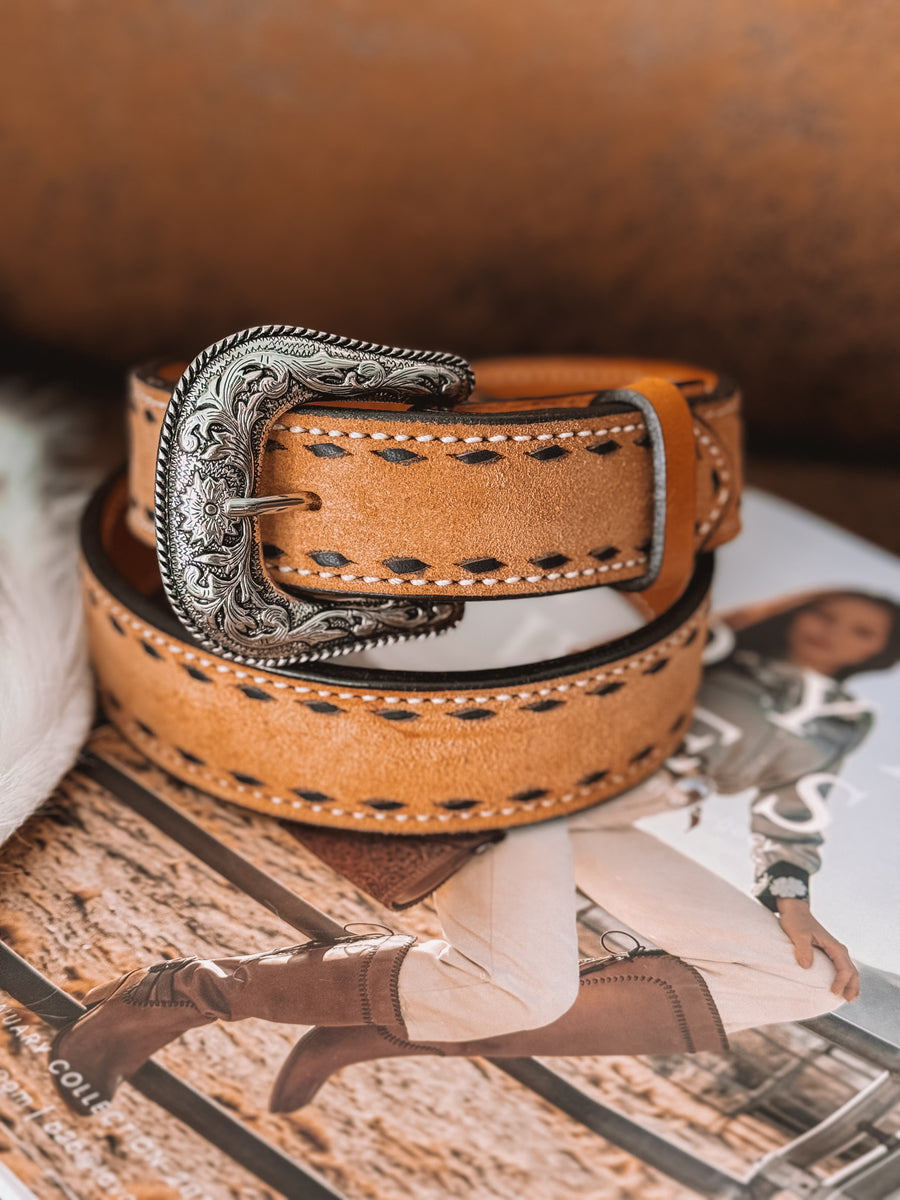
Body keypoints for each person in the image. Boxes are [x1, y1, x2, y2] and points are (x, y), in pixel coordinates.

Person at [51, 589, 899, 1118]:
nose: (833, 631)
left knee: (806, 982)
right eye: (829, 612)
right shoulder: (696, 631)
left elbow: (796, 805)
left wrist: (792, 899)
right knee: (524, 988)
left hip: (612, 823)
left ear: (873, 656)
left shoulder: (836, 720)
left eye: (858, 632)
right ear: (799, 607)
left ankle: (404, 1031)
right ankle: (184, 993)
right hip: (524, 788)